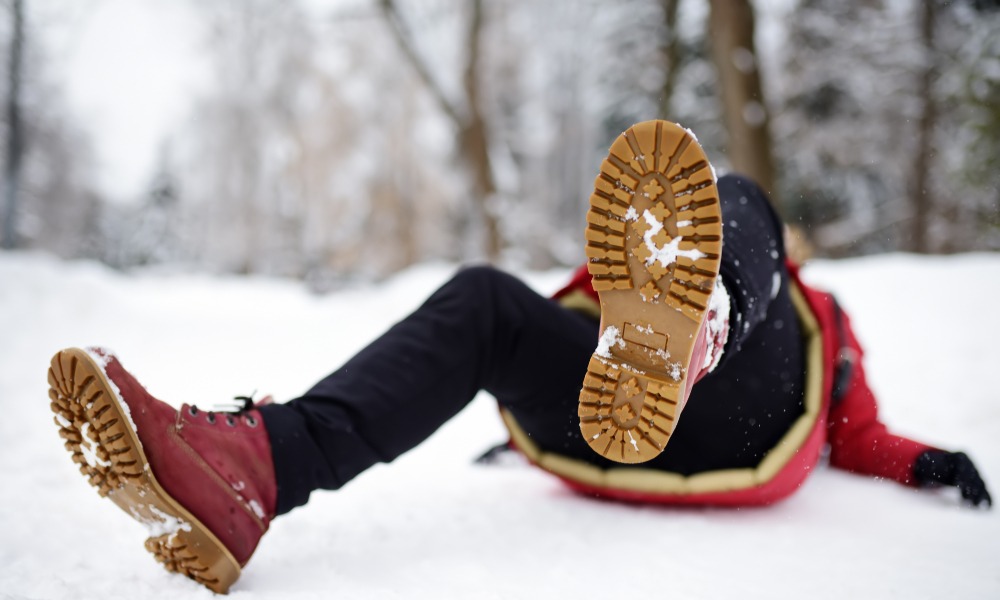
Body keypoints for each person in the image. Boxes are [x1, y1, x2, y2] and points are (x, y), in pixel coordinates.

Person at [46, 120, 991, 594]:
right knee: (487, 302)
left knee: (740, 194)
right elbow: (855, 427)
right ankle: (256, 469)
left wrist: (919, 461)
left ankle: (707, 318)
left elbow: (853, 427)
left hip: (735, 417)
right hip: (628, 431)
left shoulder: (815, 308)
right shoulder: (637, 304)